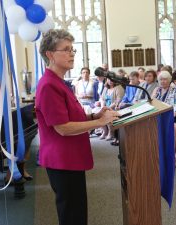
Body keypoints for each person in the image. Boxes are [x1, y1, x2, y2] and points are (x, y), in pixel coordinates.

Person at [36, 29, 119, 225]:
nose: (72, 53)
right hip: (62, 159)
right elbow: (63, 128)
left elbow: (69, 115)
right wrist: (100, 122)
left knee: (76, 212)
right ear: (50, 54)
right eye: (66, 49)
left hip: (69, 157)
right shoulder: (49, 85)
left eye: (72, 49)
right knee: (72, 215)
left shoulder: (60, 82)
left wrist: (93, 115)